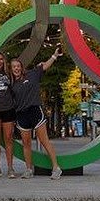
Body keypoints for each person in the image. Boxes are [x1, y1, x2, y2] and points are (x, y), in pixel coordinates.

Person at [10, 48, 63, 180]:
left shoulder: (32, 74)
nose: (16, 69)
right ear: (11, 69)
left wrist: (54, 56)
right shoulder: (11, 84)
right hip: (21, 115)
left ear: (22, 68)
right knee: (26, 143)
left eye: (18, 66)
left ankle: (56, 168)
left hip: (35, 111)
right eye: (13, 67)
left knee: (44, 141)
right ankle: (28, 169)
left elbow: (45, 66)